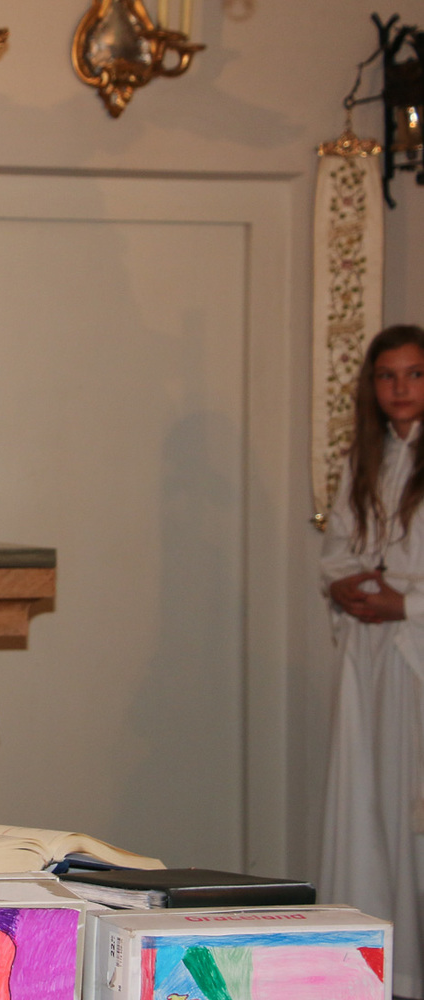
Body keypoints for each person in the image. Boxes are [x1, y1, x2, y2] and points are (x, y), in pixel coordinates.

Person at [320, 323, 424, 999]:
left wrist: (404, 605)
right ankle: (384, 967)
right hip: (371, 656)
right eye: (387, 376)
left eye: (415, 374)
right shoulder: (366, 459)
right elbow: (337, 548)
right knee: (374, 809)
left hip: (415, 654)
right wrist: (345, 587)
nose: (400, 388)